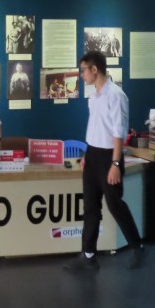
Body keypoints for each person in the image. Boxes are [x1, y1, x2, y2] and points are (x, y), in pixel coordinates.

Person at [64, 51, 143, 271]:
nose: (81, 75)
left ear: (94, 69)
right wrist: (87, 156)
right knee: (90, 206)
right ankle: (88, 255)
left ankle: (137, 246)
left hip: (110, 156)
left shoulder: (116, 95)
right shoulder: (94, 96)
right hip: (93, 155)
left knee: (115, 204)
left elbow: (119, 132)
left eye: (83, 70)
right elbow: (95, 128)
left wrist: (115, 164)